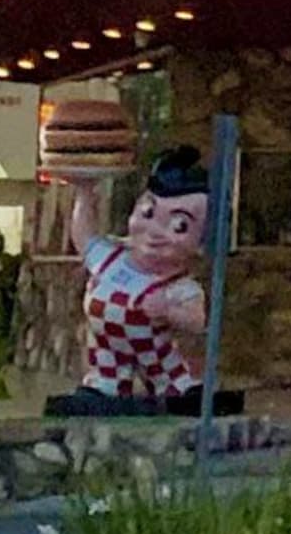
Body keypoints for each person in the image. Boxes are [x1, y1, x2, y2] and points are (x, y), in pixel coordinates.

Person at [55, 148, 216, 410]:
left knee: (169, 376)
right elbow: (83, 234)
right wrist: (84, 192)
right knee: (106, 379)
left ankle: (176, 390)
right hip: (108, 350)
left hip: (156, 355)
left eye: (179, 226)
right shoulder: (109, 259)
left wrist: (168, 310)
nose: (155, 232)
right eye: (148, 214)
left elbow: (197, 320)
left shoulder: (178, 285)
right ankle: (105, 388)